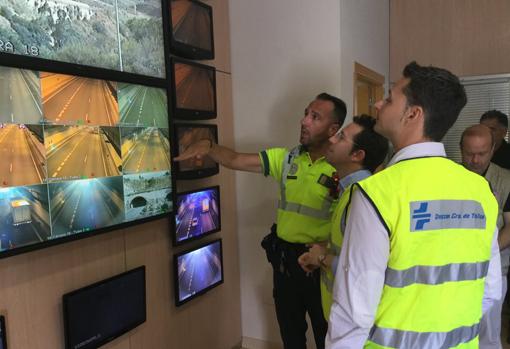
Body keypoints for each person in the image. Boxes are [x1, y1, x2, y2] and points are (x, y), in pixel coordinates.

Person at [326, 62, 502, 349]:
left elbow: (355, 310)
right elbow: (491, 290)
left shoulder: (378, 192)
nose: (379, 103)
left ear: (413, 114)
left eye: (390, 97)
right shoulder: (480, 190)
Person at [175, 93, 347, 349]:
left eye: (315, 117)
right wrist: (210, 148)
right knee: (291, 335)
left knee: (327, 337)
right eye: (306, 113)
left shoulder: (340, 169)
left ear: (333, 128)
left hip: (319, 266)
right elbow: (235, 159)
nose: (304, 121)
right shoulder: (287, 159)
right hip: (286, 264)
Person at [297, 114, 388, 321]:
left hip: (353, 320)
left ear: (357, 155)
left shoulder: (362, 199)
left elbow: (364, 270)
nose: (331, 140)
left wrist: (320, 257)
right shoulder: (350, 191)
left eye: (341, 138)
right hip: (343, 314)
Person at [461, 124, 510, 349]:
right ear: (461, 150)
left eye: (482, 153)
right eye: (470, 153)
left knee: (488, 336)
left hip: (494, 269)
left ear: (492, 150)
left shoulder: (506, 180)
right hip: (456, 270)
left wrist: (483, 254)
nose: (475, 160)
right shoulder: (451, 176)